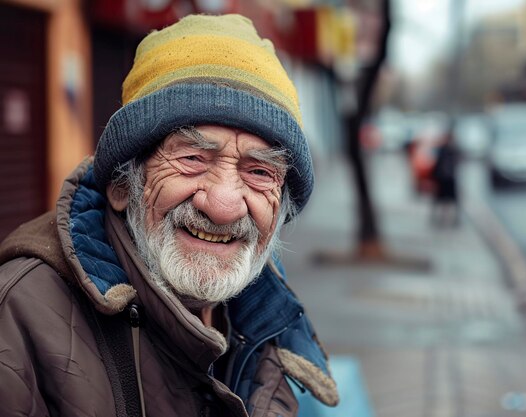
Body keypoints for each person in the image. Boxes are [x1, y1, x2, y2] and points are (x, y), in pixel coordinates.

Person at [0, 14, 338, 417]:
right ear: (122, 185)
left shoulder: (268, 320)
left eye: (259, 172)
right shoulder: (18, 316)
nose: (224, 205)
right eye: (193, 158)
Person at [431, 122, 460, 227]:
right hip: (444, 178)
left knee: (448, 201)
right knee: (442, 200)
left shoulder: (451, 149)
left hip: (447, 178)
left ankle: (452, 219)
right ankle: (442, 219)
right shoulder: (444, 149)